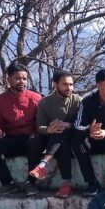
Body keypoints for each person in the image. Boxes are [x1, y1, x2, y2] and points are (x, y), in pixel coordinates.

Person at [0, 62, 42, 195]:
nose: (22, 82)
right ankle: (8, 183)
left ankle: (31, 183)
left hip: (31, 139)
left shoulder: (36, 98)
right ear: (9, 79)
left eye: (24, 79)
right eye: (18, 78)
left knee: (35, 141)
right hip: (11, 139)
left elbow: (42, 121)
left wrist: (37, 132)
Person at [29, 70, 81, 198]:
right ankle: (66, 184)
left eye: (71, 84)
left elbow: (83, 124)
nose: (69, 88)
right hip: (52, 138)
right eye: (65, 84)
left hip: (73, 137)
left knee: (62, 135)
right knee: (58, 137)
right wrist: (49, 129)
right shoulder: (44, 102)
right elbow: (39, 126)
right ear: (55, 84)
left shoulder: (79, 101)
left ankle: (43, 165)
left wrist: (67, 125)